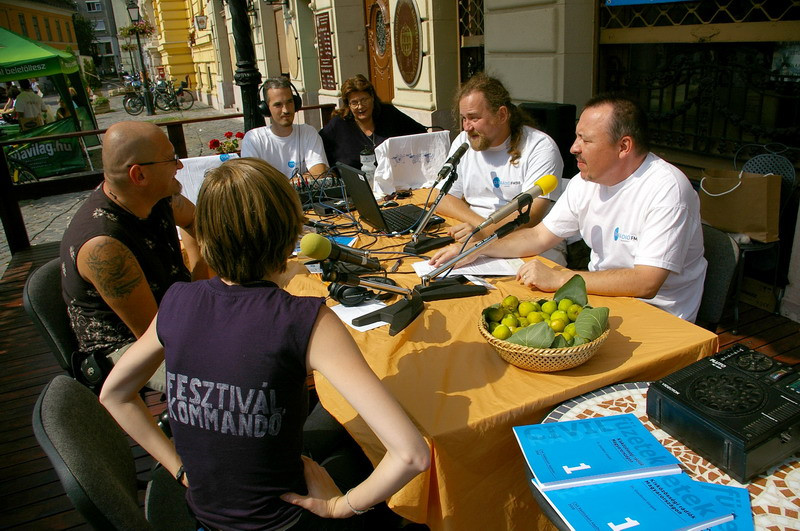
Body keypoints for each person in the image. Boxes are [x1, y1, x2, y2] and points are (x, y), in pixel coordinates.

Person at [100, 158, 430, 530]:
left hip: (205, 521)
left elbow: (114, 394)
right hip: (290, 521)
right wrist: (341, 507)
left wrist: (179, 469)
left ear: (205, 235)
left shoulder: (177, 301)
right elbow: (412, 456)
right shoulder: (307, 320)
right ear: (291, 234)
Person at [430, 95, 707, 321]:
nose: (574, 148)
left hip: (658, 317)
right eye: (576, 137)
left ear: (624, 146)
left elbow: (646, 282)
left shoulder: (667, 189)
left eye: (586, 140)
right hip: (601, 302)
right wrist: (475, 248)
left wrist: (560, 277)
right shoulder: (584, 182)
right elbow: (539, 236)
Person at [60, 121, 207, 391]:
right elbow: (155, 335)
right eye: (171, 160)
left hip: (175, 315)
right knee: (238, 375)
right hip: (130, 351)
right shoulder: (104, 246)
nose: (180, 166)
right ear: (139, 175)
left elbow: (197, 222)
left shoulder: (155, 196)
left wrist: (199, 276)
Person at [436, 73, 566, 263]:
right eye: (463, 118)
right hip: (474, 240)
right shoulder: (464, 141)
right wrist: (479, 227)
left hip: (530, 246)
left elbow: (531, 214)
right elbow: (443, 197)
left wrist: (482, 233)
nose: (466, 127)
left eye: (473, 118)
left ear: (502, 114)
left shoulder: (540, 147)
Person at [319, 74, 427, 170]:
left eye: (364, 100)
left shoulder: (389, 113)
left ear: (372, 98)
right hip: (356, 188)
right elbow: (317, 146)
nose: (360, 106)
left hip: (395, 184)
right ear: (348, 105)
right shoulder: (339, 124)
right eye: (354, 103)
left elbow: (420, 133)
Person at [241, 77, 329, 183]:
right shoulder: (254, 139)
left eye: (289, 102)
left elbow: (319, 172)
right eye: (278, 105)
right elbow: (254, 181)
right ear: (265, 108)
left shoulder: (308, 132)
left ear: (296, 103)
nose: (286, 110)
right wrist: (301, 179)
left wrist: (280, 184)